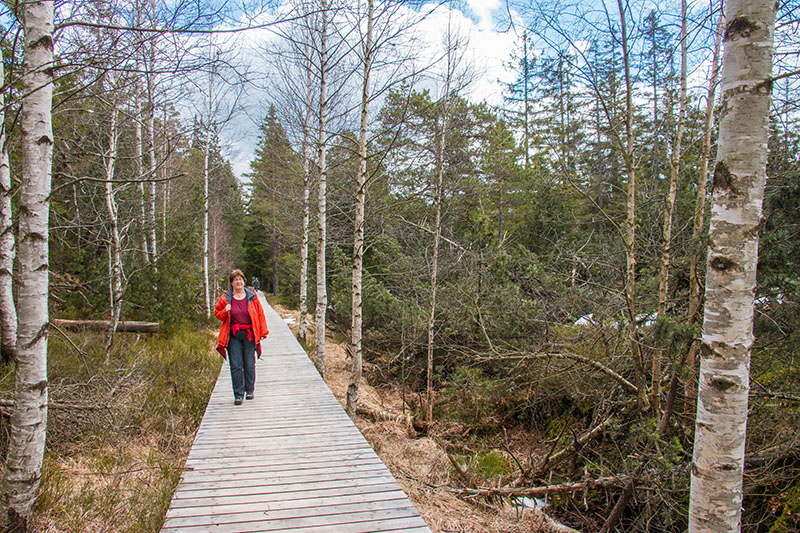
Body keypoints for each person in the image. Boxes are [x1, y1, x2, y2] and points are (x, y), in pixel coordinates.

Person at [215, 269, 269, 405]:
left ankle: (249, 390)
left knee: (249, 364)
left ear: (244, 281)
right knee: (236, 365)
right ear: (232, 283)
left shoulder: (252, 297)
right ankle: (238, 395)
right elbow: (218, 314)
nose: (238, 282)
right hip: (233, 335)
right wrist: (225, 311)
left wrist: (263, 331)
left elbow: (260, 314)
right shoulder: (225, 298)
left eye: (240, 279)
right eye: (235, 280)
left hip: (249, 334)